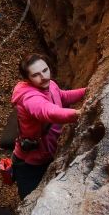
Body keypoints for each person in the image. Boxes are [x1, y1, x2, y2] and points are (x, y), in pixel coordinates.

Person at [10, 53, 86, 199]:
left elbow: (62, 96)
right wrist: (79, 113)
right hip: (31, 162)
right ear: (27, 79)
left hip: (47, 152)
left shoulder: (50, 84)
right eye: (36, 75)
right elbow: (48, 112)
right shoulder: (30, 98)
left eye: (45, 70)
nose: (44, 77)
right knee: (29, 196)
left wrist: (86, 91)